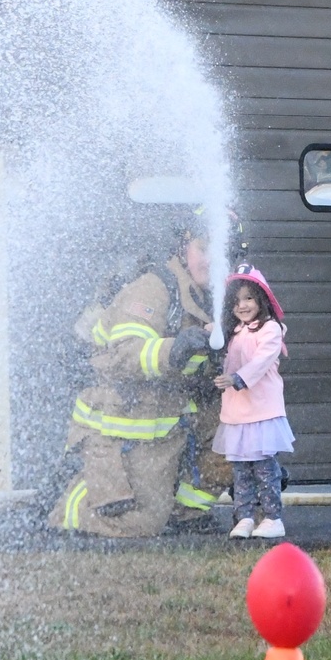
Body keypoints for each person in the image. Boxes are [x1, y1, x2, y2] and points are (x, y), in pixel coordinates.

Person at [48, 217, 228, 537]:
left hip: (169, 413)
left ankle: (185, 513)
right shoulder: (154, 288)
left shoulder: (224, 297)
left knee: (243, 431)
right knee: (140, 523)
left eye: (221, 249)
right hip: (123, 417)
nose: (212, 259)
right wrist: (172, 350)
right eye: (203, 248)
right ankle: (69, 507)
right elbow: (123, 355)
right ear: (184, 247)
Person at [213, 263, 293, 539]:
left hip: (262, 412)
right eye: (236, 301)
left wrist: (236, 378)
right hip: (237, 413)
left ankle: (272, 517)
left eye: (248, 298)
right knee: (240, 470)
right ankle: (244, 516)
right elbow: (229, 360)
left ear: (261, 297)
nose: (242, 305)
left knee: (264, 467)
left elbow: (260, 362)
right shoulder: (235, 332)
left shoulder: (271, 330)